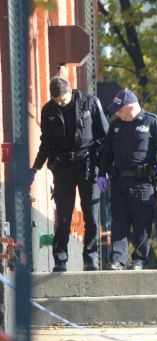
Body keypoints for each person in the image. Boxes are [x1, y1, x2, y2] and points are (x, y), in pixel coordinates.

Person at [31, 77, 109, 271]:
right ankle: (60, 260)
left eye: (62, 100)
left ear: (70, 91)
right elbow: (46, 143)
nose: (60, 103)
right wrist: (35, 168)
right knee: (63, 216)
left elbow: (105, 135)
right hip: (64, 167)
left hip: (88, 165)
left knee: (91, 215)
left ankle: (90, 259)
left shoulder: (89, 103)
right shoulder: (49, 110)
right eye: (56, 100)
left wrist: (104, 168)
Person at [97, 89, 157, 270]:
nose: (116, 113)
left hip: (142, 183)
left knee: (142, 223)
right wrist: (102, 173)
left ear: (130, 107)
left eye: (119, 109)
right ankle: (118, 260)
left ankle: (139, 260)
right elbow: (106, 153)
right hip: (119, 183)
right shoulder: (116, 126)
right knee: (119, 221)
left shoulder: (152, 122)